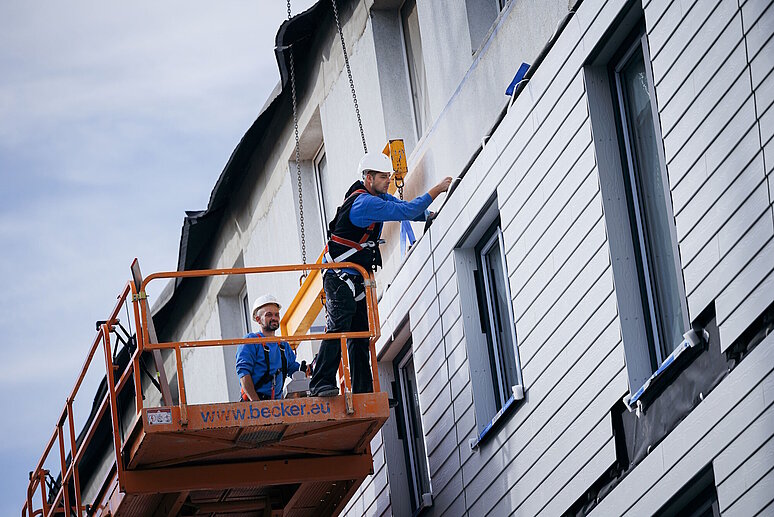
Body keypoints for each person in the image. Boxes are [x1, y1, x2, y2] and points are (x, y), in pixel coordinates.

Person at [310, 152, 452, 397]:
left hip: (354, 276)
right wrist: (438, 189)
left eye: (389, 176)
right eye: (384, 177)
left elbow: (401, 208)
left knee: (360, 335)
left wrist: (427, 215)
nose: (388, 180)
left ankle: (363, 392)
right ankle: (321, 381)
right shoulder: (365, 203)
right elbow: (406, 210)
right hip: (340, 275)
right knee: (339, 326)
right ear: (368, 178)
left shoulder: (376, 197)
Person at [236, 294, 304, 400]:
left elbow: (293, 370)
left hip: (276, 405)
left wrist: (307, 369)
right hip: (254, 403)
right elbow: (243, 374)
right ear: (258, 319)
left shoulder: (283, 345)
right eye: (269, 315)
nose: (274, 318)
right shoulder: (251, 341)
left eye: (277, 314)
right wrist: (257, 405)